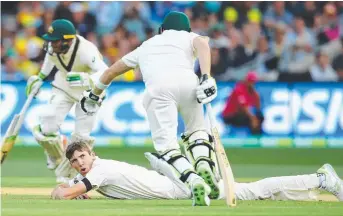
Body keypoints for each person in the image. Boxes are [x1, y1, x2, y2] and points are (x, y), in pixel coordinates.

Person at [79, 11, 220, 206]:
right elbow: (203, 44)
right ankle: (203, 163)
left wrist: (95, 94)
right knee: (197, 131)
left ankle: (193, 179)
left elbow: (111, 71)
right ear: (187, 29)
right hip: (189, 83)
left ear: (161, 30)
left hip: (158, 89)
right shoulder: (190, 36)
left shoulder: (147, 45)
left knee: (168, 147)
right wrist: (206, 76)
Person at [51, 140, 343, 203]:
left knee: (254, 191)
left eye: (82, 156)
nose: (79, 163)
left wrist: (67, 191)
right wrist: (66, 187)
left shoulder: (100, 170)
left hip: (184, 188)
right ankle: (317, 182)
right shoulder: (94, 170)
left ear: (92, 154)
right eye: (75, 161)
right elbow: (66, 187)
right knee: (262, 195)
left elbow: (65, 194)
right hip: (178, 182)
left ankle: (321, 179)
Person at [25, 19, 108, 183]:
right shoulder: (52, 47)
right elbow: (50, 60)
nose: (51, 45)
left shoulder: (86, 51)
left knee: (81, 138)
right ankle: (56, 153)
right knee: (47, 124)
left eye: (55, 41)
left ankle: (71, 176)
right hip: (63, 86)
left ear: (68, 39)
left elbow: (106, 72)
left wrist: (87, 79)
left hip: (89, 93)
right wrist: (39, 78)